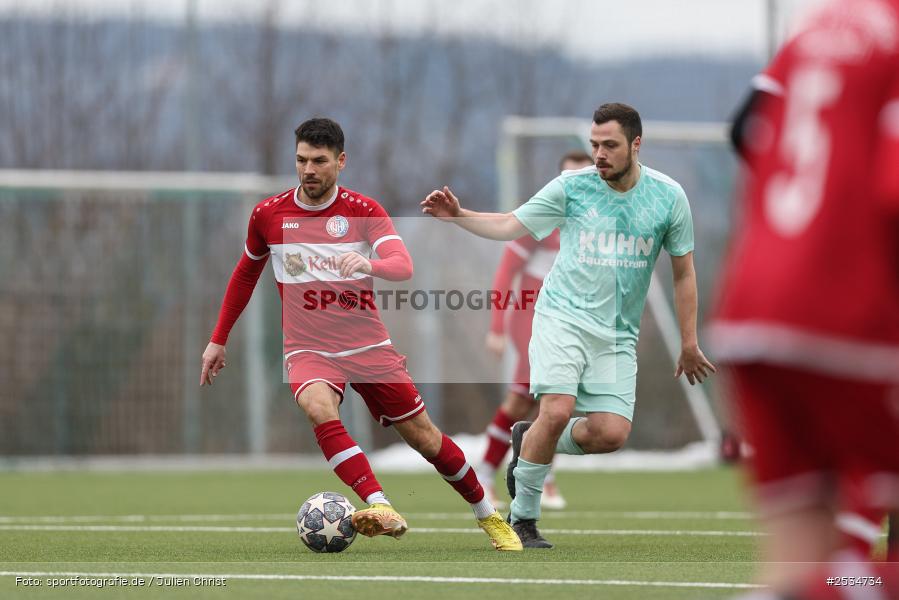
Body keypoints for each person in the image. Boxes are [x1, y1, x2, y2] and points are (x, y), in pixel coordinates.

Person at [201, 117, 521, 552]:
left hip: (369, 346)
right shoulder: (268, 215)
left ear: (341, 161)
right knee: (318, 406)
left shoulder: (364, 211)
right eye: (300, 160)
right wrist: (219, 338)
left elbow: (402, 266)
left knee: (425, 438)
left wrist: (370, 264)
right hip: (307, 347)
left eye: (319, 160)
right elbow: (244, 275)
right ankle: (379, 503)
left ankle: (489, 515)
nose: (308, 169)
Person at [422, 103, 715, 548]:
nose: (599, 154)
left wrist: (689, 341)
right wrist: (459, 217)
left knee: (610, 434)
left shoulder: (668, 197)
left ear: (636, 145)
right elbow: (508, 225)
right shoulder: (571, 188)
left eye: (610, 145)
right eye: (594, 145)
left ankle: (530, 439)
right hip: (562, 318)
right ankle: (524, 519)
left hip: (617, 335)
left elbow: (684, 273)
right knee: (556, 411)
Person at [711, 0, 899, 595]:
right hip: (847, 309)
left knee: (799, 553)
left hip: (753, 304)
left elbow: (748, 126)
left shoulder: (825, 24)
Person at [478, 150, 594, 510]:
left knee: (544, 402)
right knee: (536, 399)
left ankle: (531, 473)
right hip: (532, 320)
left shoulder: (596, 221)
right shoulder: (543, 217)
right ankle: (488, 474)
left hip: (572, 321)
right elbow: (505, 271)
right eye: (567, 176)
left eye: (582, 175)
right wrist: (496, 327)